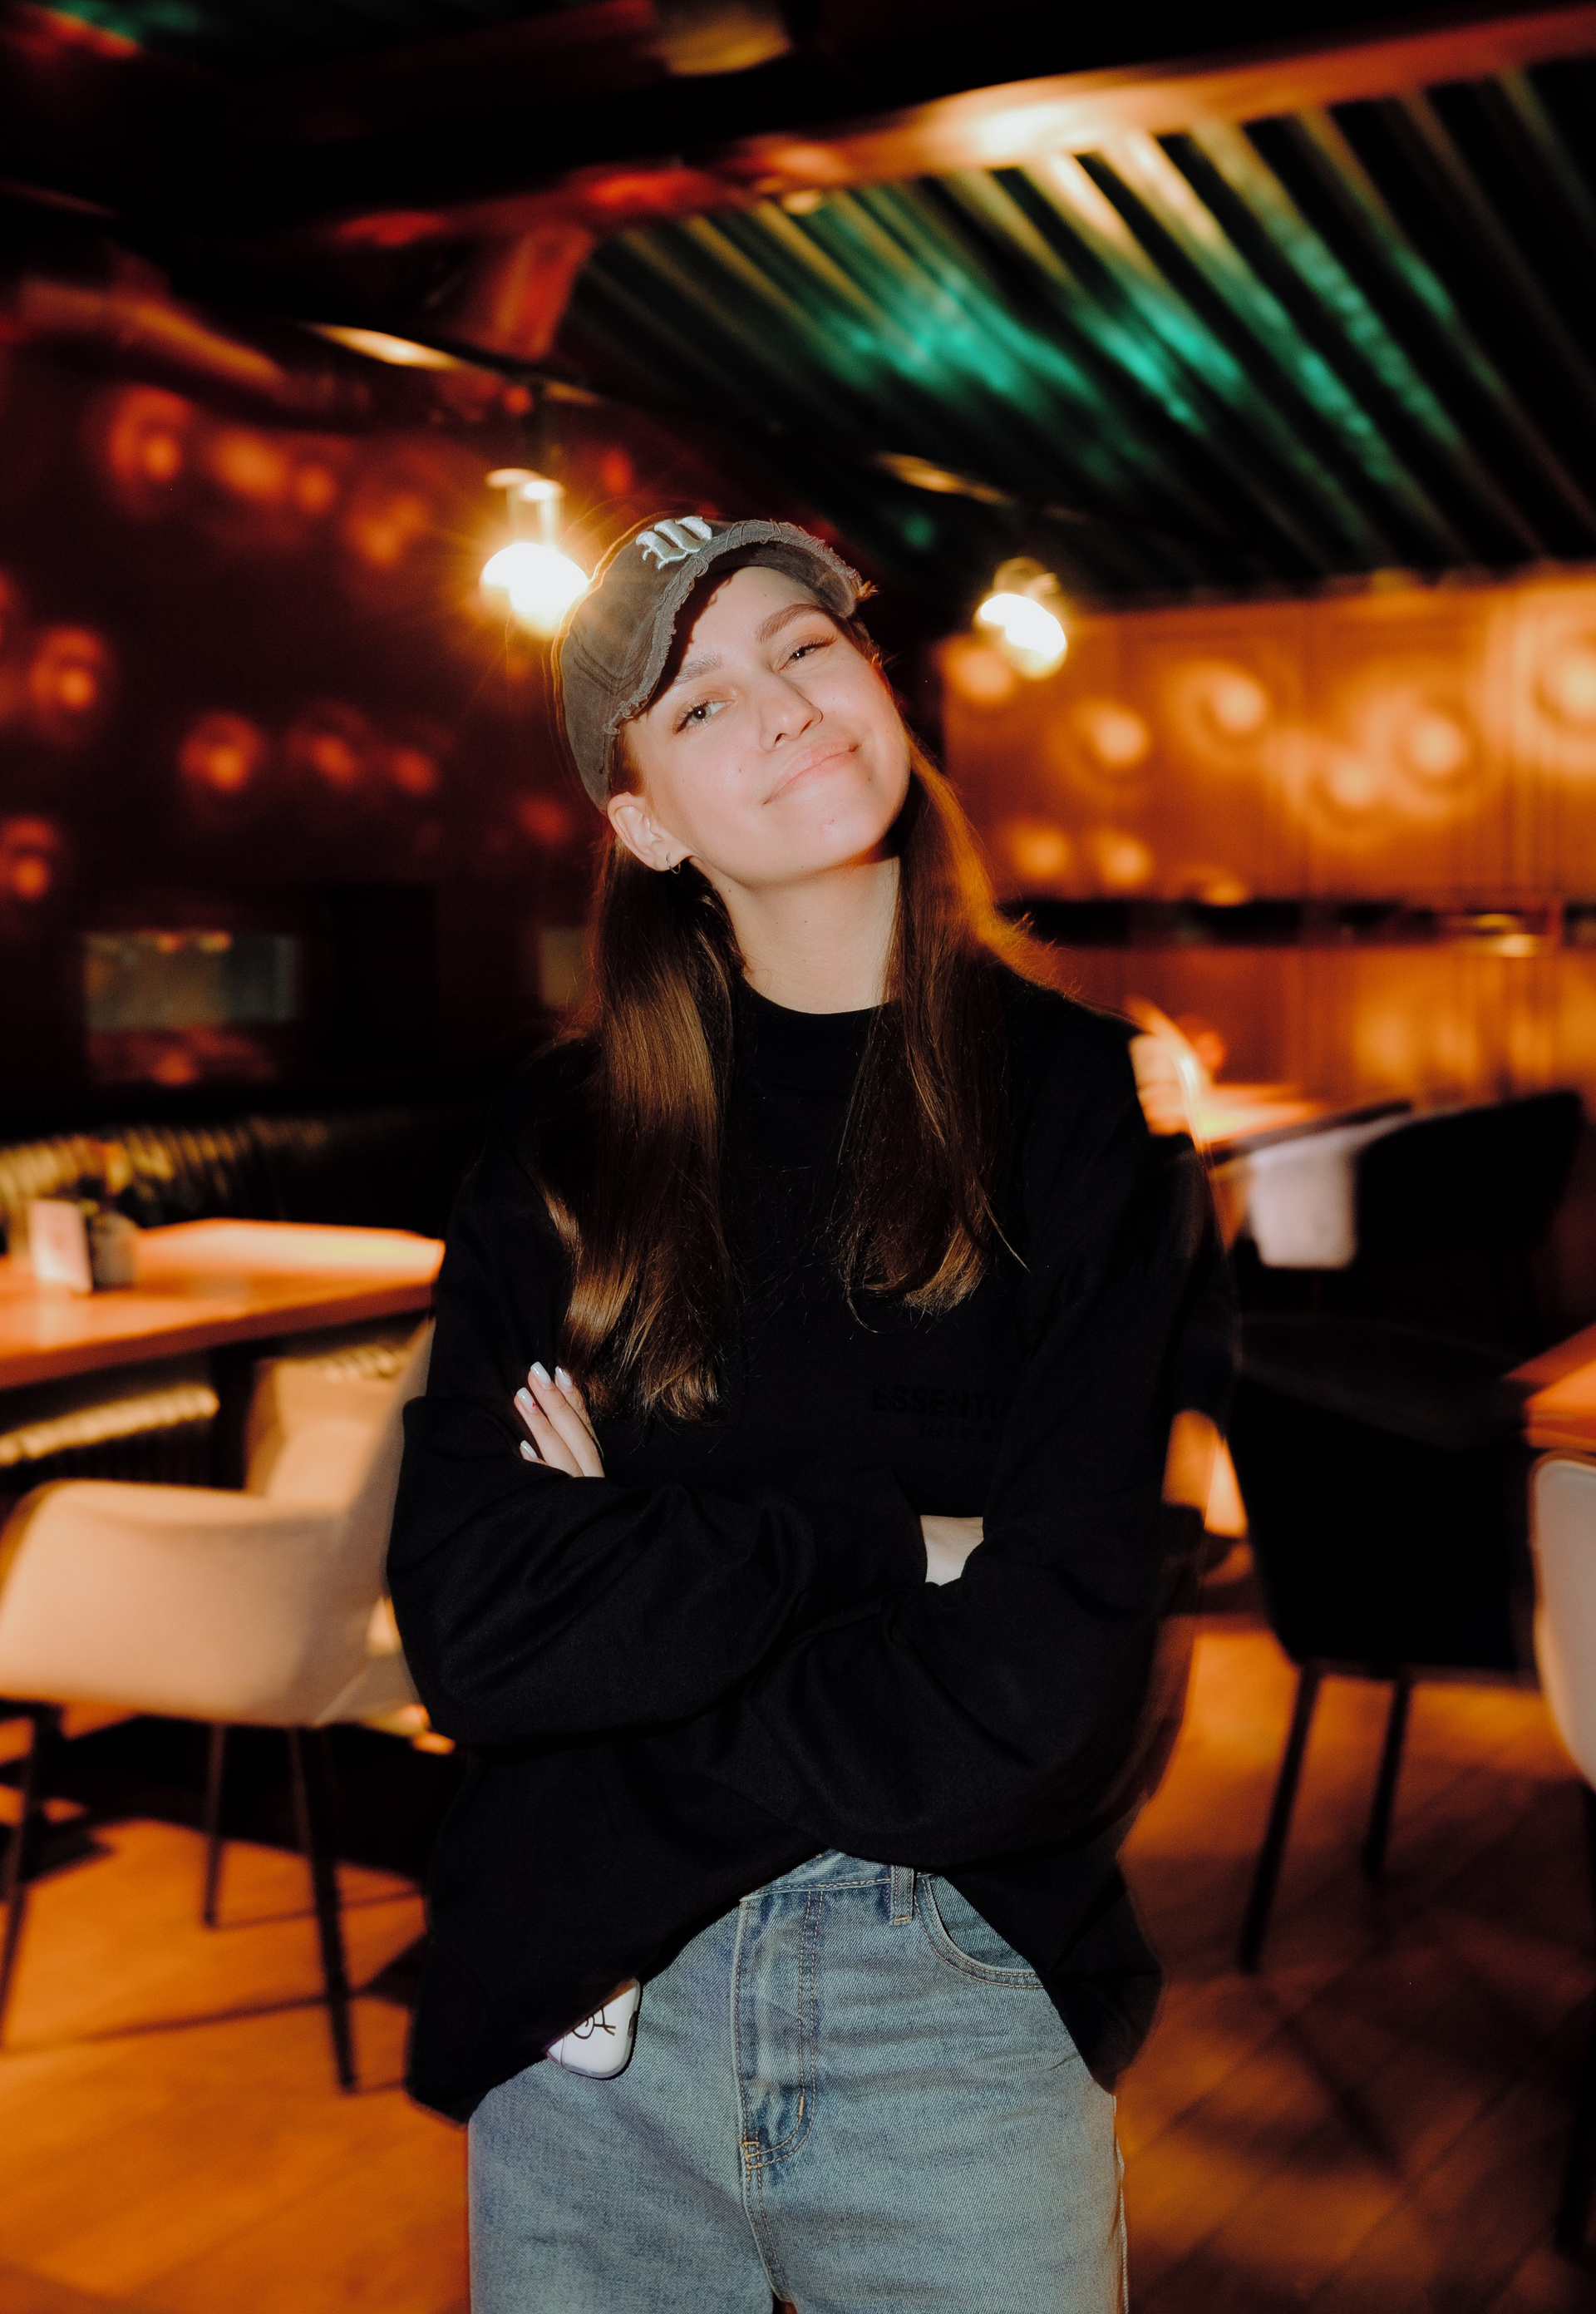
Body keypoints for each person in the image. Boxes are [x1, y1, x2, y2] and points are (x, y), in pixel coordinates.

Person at [389, 514, 1226, 2314]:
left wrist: (634, 1605)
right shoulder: (558, 1141)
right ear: (644, 825)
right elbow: (475, 1634)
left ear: (876, 684)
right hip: (583, 2010)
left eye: (805, 646)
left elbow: (1044, 1694)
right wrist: (890, 1544)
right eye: (697, 705)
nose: (778, 705)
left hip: (955, 1985)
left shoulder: (1087, 1111)